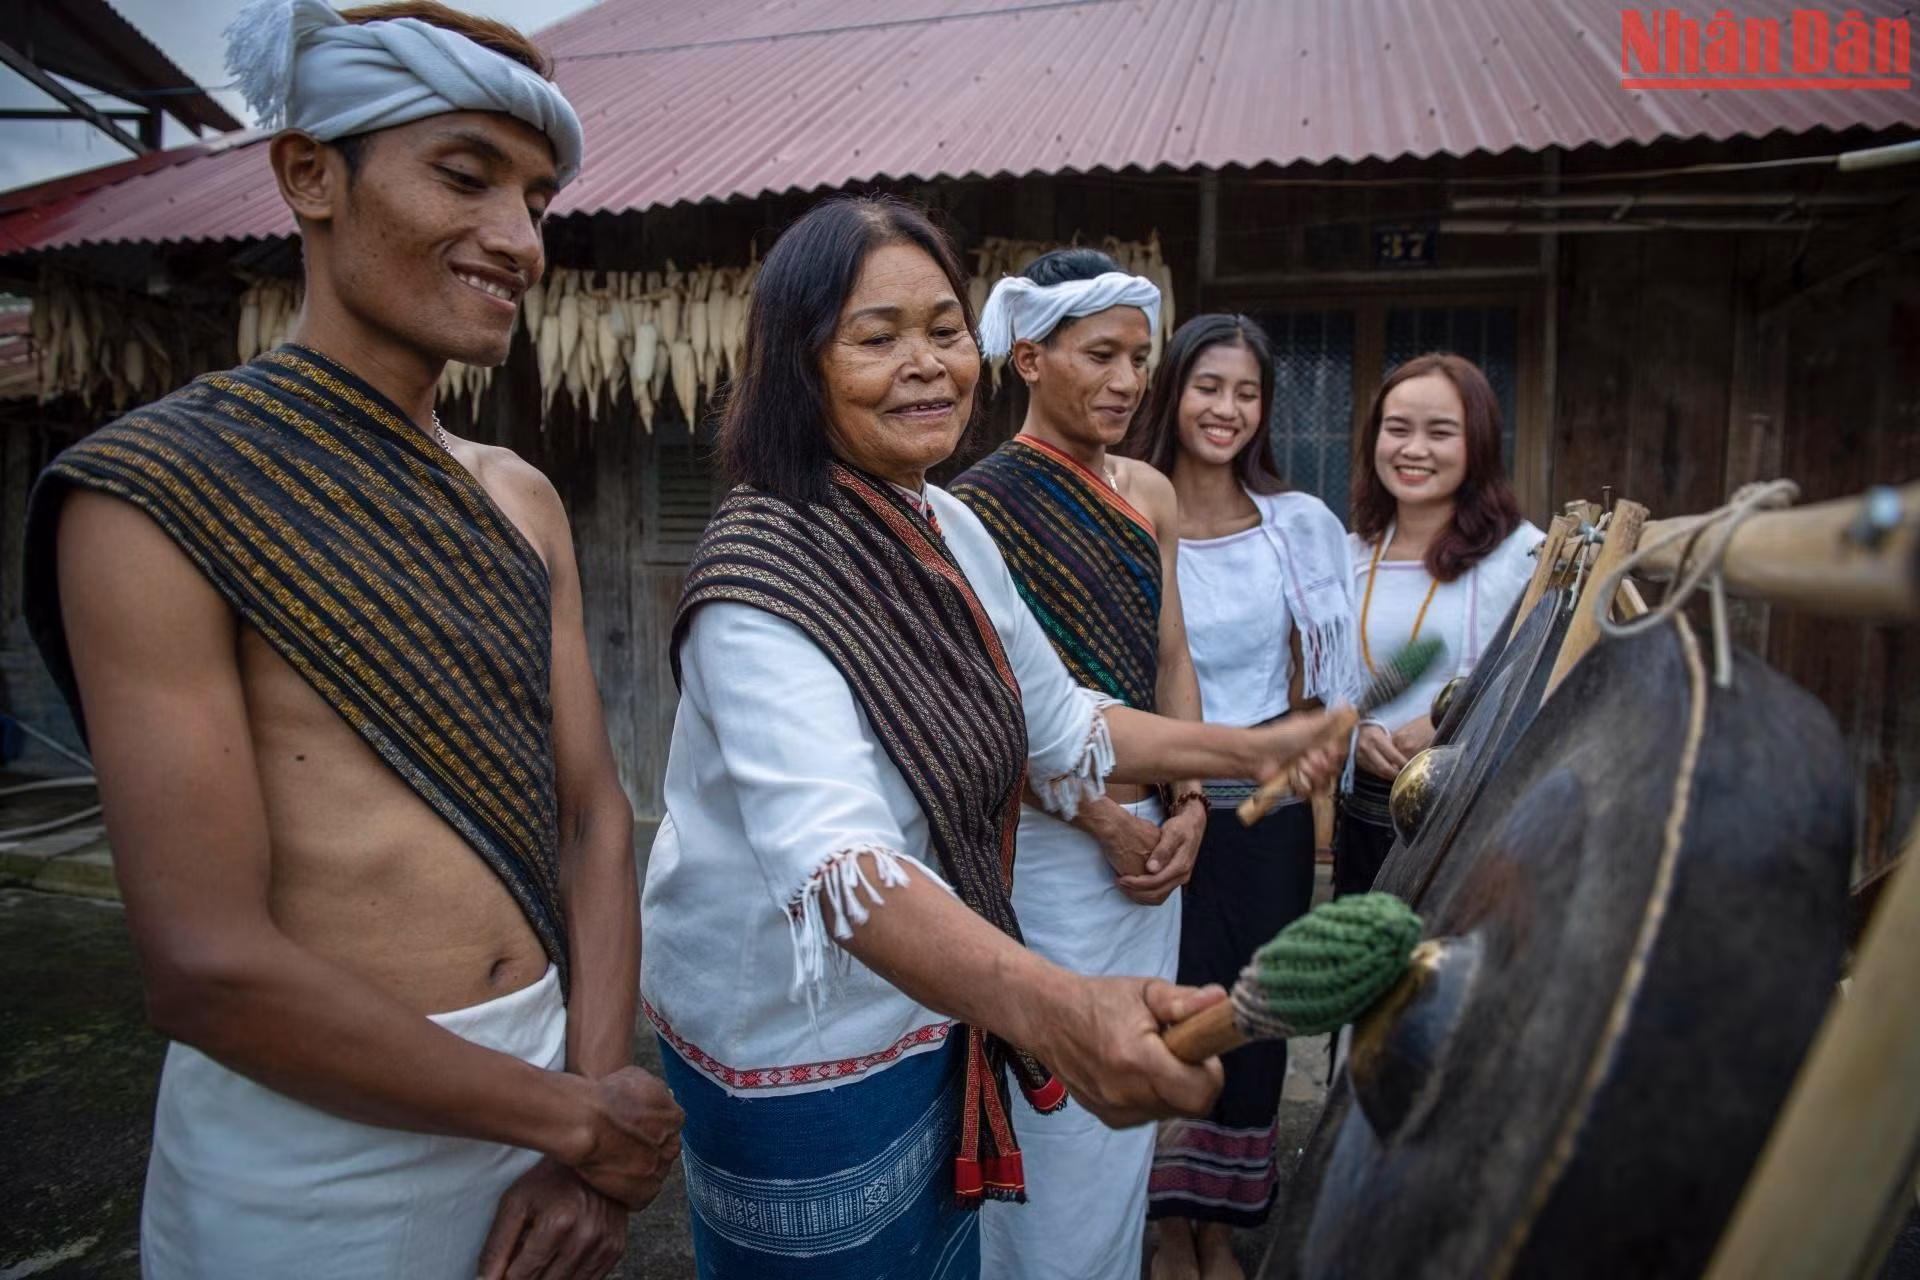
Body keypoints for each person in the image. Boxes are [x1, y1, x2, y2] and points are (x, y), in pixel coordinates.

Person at [20, 3, 682, 1277]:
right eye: (464, 176)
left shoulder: (519, 498)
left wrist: (586, 1115)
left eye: (537, 198)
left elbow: (595, 819)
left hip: (551, 1100)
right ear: (309, 173)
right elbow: (207, 966)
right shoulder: (157, 498)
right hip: (309, 1162)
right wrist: (583, 1119)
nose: (519, 239)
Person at [639, 194, 1347, 1280]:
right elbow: (842, 867)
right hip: (798, 1044)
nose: (927, 364)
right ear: (798, 363)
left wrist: (1248, 752)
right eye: (878, 337)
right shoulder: (761, 576)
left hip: (931, 1004)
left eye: (943, 328)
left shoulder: (944, 523)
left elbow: (1061, 723)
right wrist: (1063, 1009)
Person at [949, 248, 1206, 1280]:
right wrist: (1105, 819)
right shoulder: (973, 511)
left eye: (1139, 358)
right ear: (1028, 357)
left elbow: (1170, 654)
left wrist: (1190, 800)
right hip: (1050, 859)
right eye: (1100, 354)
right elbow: (986, 713)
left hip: (1157, 861)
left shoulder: (1150, 493)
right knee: (1053, 1111)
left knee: (1128, 1112)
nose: (1127, 380)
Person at [1125, 314, 1358, 1280]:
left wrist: (1314, 752)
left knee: (1253, 1019)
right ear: (1172, 392)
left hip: (1264, 822)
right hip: (1160, 814)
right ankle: (1163, 1220)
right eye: (1207, 386)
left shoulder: (1298, 526)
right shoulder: (1127, 510)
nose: (1226, 408)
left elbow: (1325, 686)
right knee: (1169, 1013)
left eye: (1246, 392)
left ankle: (1219, 1225)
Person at [1334, 352, 1543, 896]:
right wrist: (1354, 735)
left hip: (1472, 822)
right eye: (1397, 429)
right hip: (1365, 819)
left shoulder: (1525, 555)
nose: (1414, 449)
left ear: (1478, 444)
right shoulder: (1348, 556)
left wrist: (1454, 721)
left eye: (1441, 432)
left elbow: (1548, 678)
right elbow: (1324, 681)